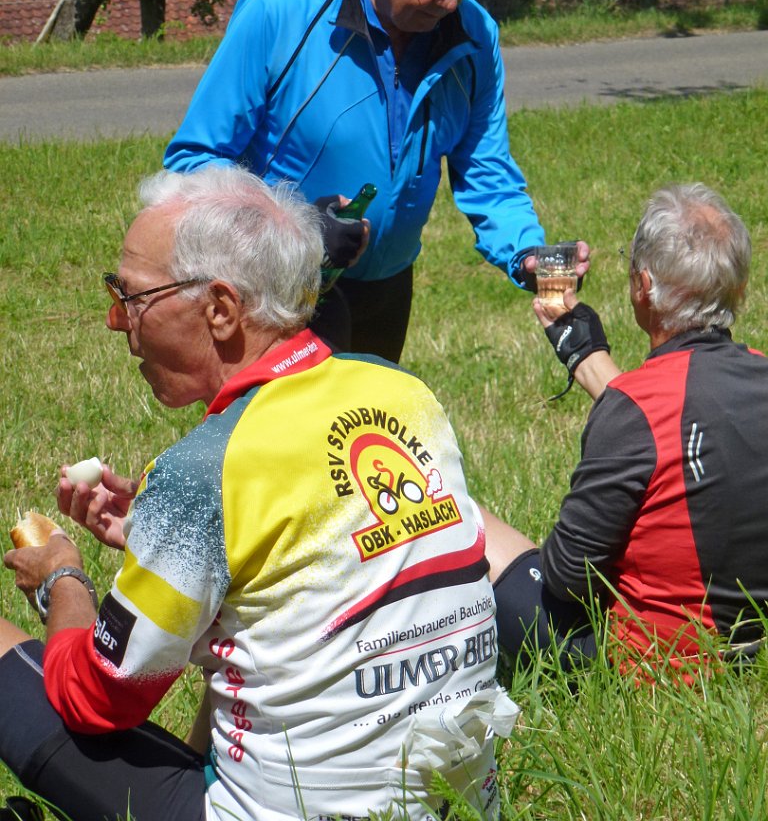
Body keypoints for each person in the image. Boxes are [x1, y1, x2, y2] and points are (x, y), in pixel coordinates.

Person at [0, 166, 516, 821]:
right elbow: (304, 576)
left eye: (130, 297)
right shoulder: (402, 393)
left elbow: (95, 697)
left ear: (219, 309)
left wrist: (63, 579)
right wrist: (159, 534)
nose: (115, 321)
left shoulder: (204, 471)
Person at [163, 0, 587, 362]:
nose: (452, 3)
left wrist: (527, 253)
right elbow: (193, 165)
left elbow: (486, 172)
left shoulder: (475, 37)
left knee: (364, 438)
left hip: (387, 290)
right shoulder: (279, 11)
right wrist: (294, 232)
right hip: (274, 295)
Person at [484, 183, 768, 675]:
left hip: (659, 665)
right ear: (738, 287)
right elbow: (683, 417)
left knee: (466, 517)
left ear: (643, 286)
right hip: (755, 647)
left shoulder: (633, 411)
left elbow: (568, 577)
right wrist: (584, 356)